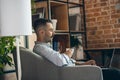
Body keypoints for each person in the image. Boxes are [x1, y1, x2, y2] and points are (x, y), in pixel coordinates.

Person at [33, 18, 120, 80]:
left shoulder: (44, 48)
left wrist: (84, 63)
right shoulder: (41, 48)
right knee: (115, 73)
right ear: (41, 32)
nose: (54, 33)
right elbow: (60, 61)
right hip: (75, 74)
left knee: (113, 71)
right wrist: (68, 54)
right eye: (51, 30)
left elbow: (63, 62)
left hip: (76, 70)